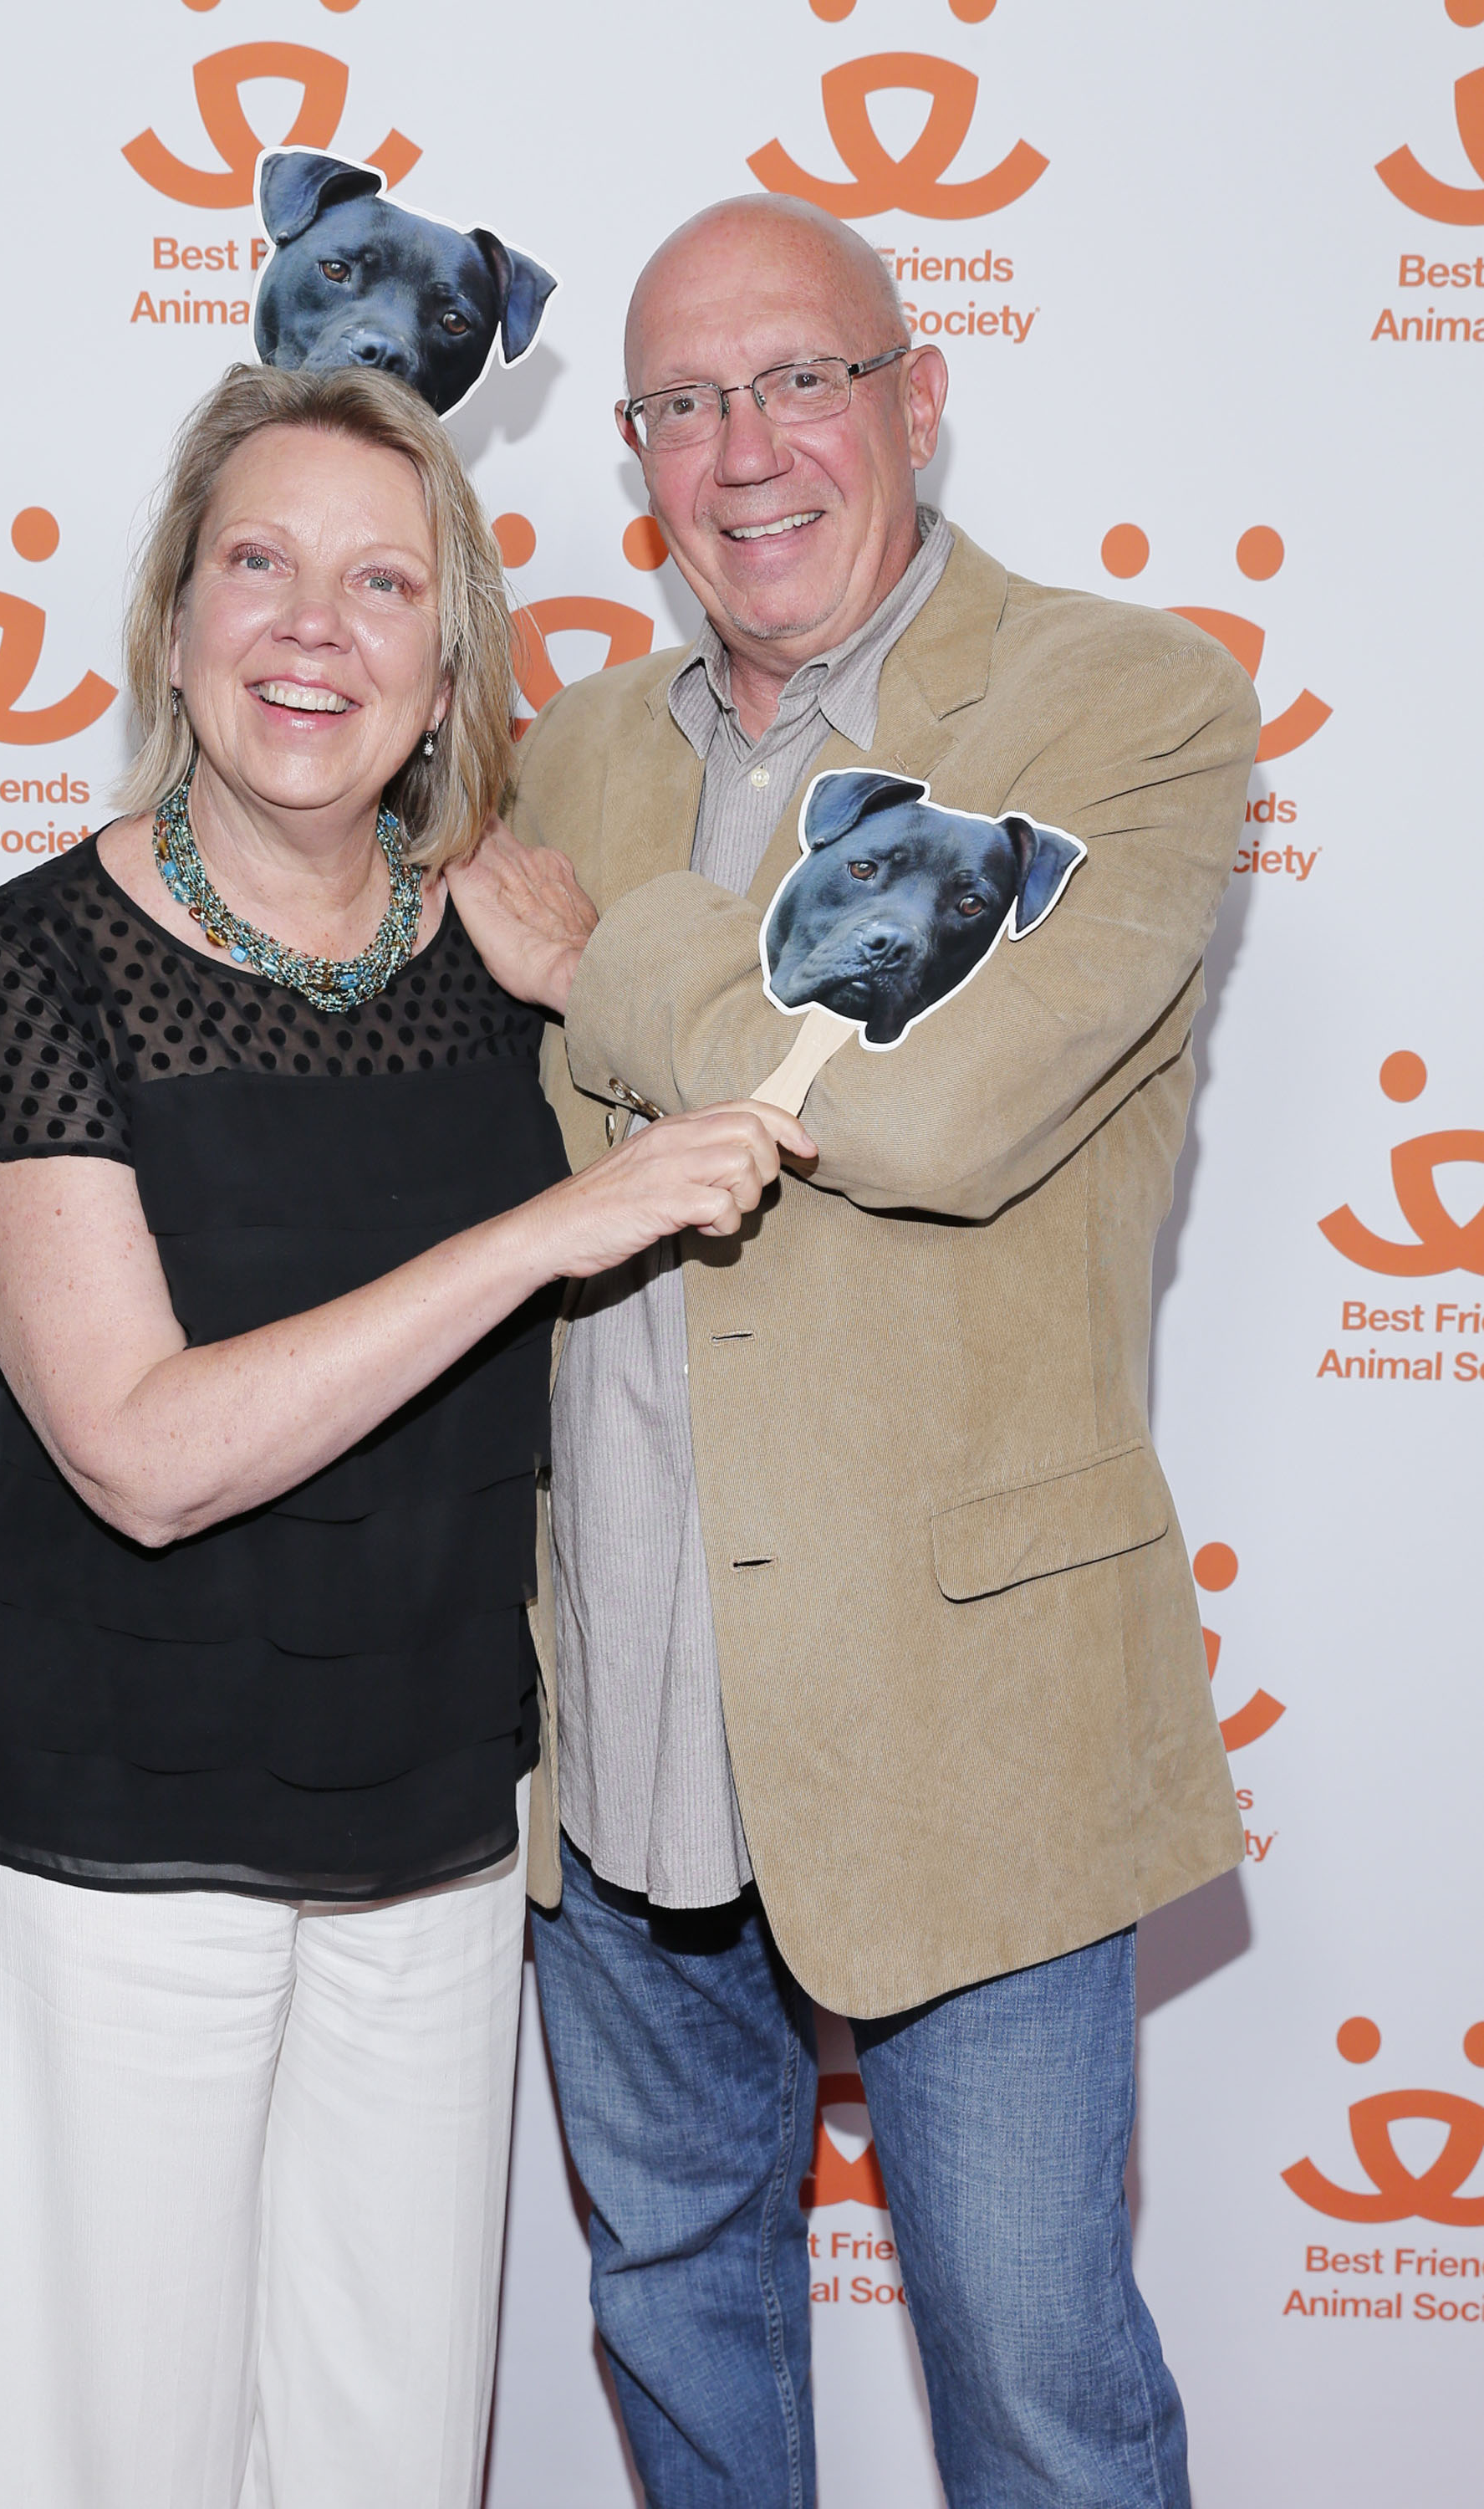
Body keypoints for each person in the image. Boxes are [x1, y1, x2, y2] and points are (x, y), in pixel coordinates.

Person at [0, 360, 806, 2509]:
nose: (313, 625)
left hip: (433, 1833)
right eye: (261, 565)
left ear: (440, 678)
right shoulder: (39, 956)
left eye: (381, 584)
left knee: (392, 2457)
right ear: (176, 622)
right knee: (91, 2459)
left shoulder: (513, 957)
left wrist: (584, 983)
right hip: (111, 1833)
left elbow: (786, 1157)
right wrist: (552, 1223)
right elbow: (136, 1450)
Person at [447, 197, 1262, 2506]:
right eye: (683, 403)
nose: (744, 448)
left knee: (1036, 2386)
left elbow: (919, 1105)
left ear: (918, 394)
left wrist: (610, 952)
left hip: (962, 1725)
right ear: (631, 454)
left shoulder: (1124, 705)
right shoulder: (570, 750)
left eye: (797, 377)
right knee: (677, 2335)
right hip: (601, 1717)